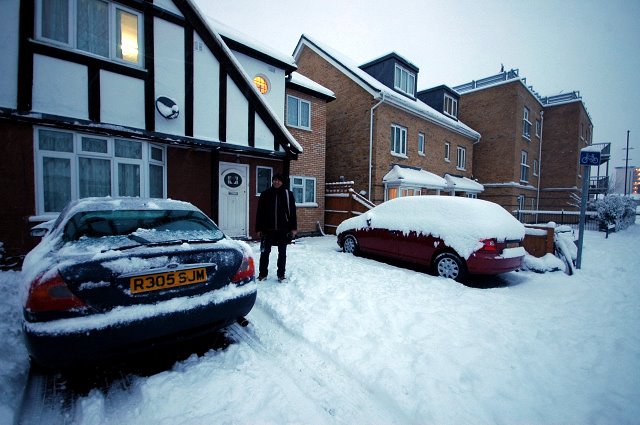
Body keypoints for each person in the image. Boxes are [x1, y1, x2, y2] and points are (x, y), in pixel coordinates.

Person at [255, 173, 297, 281]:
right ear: (272, 181)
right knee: (264, 253)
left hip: (283, 230)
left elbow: (292, 213)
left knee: (282, 253)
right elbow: (260, 213)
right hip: (267, 230)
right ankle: (263, 274)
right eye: (274, 180)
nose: (276, 182)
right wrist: (258, 228)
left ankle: (281, 274)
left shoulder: (288, 194)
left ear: (282, 182)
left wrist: (293, 228)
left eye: (279, 180)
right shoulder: (265, 194)